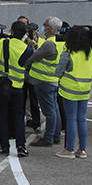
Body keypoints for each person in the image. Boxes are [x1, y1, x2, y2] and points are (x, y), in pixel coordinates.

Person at [0, 21, 34, 157]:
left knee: (3, 116)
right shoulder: (27, 49)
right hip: (17, 87)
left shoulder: (3, 42)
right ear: (25, 34)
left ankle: (4, 146)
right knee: (18, 117)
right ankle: (21, 146)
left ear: (11, 31)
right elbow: (26, 64)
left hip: (1, 85)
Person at [55, 26, 92, 159]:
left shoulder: (68, 53)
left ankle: (69, 149)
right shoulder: (89, 53)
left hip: (69, 90)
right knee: (82, 119)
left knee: (71, 119)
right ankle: (82, 149)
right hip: (85, 90)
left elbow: (58, 71)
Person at [25, 17, 64, 147]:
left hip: (43, 81)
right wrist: (36, 45)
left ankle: (48, 137)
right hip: (53, 80)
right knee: (55, 109)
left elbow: (34, 57)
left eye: (44, 25)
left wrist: (32, 48)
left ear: (50, 28)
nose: (43, 27)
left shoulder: (49, 43)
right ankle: (56, 135)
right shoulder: (59, 42)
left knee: (49, 112)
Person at [18, 15, 42, 131]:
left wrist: (35, 45)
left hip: (34, 76)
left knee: (34, 101)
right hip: (23, 74)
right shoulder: (22, 41)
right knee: (21, 100)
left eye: (32, 32)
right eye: (28, 32)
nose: (30, 34)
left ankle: (36, 123)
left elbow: (41, 56)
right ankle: (20, 122)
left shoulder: (42, 42)